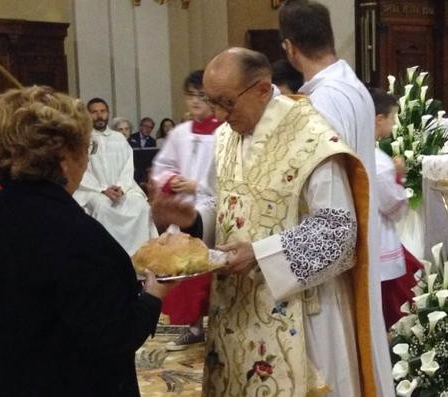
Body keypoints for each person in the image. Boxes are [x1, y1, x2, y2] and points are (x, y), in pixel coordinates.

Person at [154, 47, 375, 396]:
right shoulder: (226, 136)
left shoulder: (311, 137)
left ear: (261, 88)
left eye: (227, 102)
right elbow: (220, 199)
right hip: (235, 310)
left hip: (302, 315)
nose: (220, 115)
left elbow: (337, 231)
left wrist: (259, 253)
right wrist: (194, 220)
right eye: (212, 102)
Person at [0, 86, 170, 396]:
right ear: (63, 158)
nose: (87, 159)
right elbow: (113, 335)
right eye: (87, 148)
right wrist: (154, 293)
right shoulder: (76, 233)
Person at [279, 1, 392, 393]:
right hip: (354, 234)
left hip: (331, 246)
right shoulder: (352, 88)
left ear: (289, 48)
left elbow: (319, 189)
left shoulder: (317, 105)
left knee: (335, 357)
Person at [150, 69, 223, 350]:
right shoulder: (180, 133)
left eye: (201, 97)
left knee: (214, 272)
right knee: (188, 275)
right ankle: (193, 328)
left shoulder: (224, 132)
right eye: (191, 96)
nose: (195, 103)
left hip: (213, 209)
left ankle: (219, 327)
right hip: (184, 211)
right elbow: (162, 166)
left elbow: (227, 173)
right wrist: (171, 180)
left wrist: (197, 184)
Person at [369, 88, 426, 329]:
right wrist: (399, 177)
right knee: (391, 307)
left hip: (366, 237)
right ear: (378, 119)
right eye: (392, 118)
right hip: (379, 240)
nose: (393, 125)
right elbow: (395, 208)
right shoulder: (379, 162)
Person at [75, 98, 157, 254]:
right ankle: (109, 258)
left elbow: (128, 165)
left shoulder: (118, 138)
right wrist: (102, 189)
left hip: (122, 188)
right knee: (103, 208)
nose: (99, 116)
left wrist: (122, 187)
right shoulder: (83, 140)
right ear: (87, 115)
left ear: (108, 113)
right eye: (94, 112)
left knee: (141, 207)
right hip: (93, 190)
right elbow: (81, 170)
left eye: (103, 111)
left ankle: (140, 256)